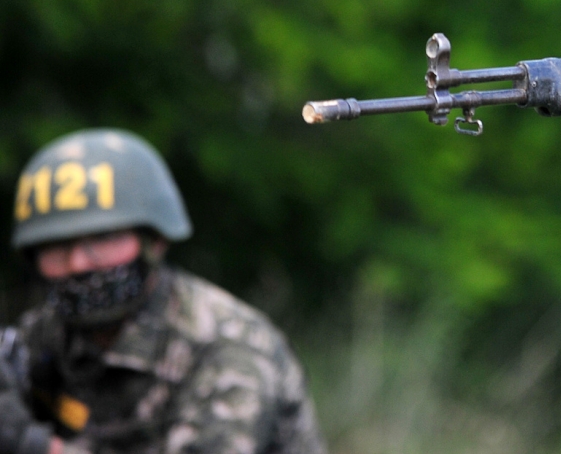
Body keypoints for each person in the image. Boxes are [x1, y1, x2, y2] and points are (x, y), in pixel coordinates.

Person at [0, 128, 324, 454]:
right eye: (55, 248)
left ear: (154, 240)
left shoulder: (227, 346)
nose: (78, 263)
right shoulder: (47, 335)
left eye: (102, 239)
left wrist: (36, 445)